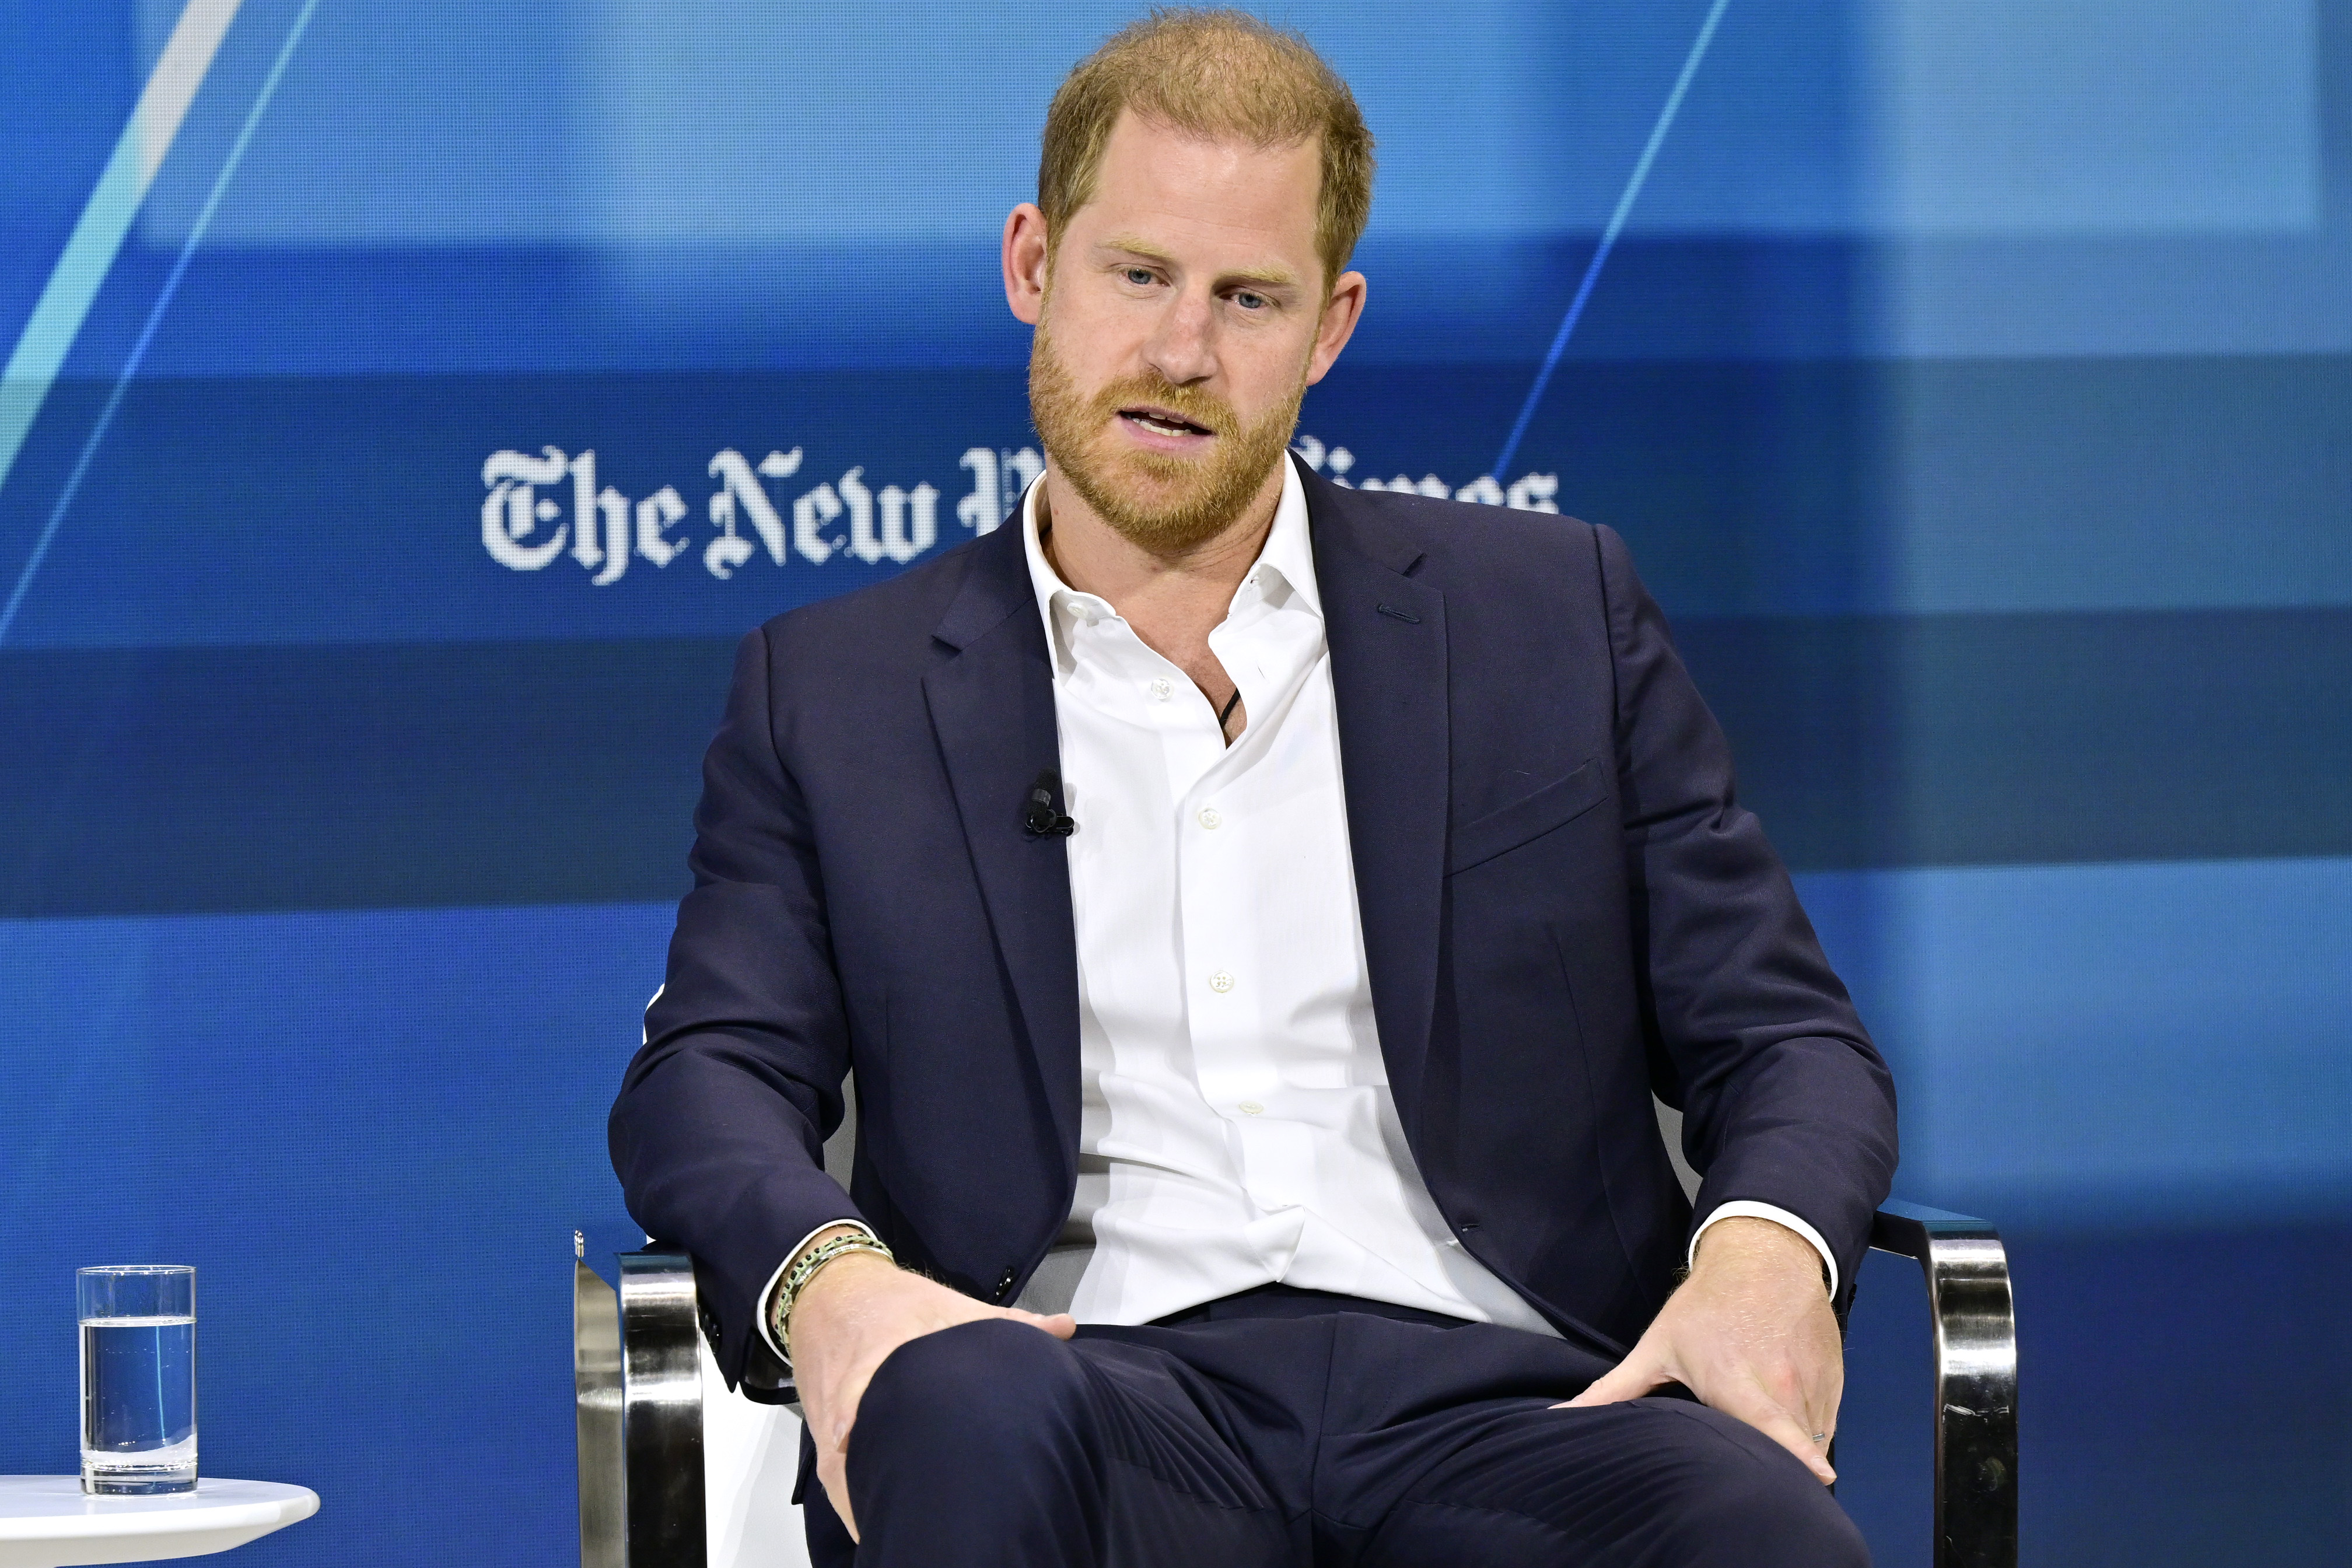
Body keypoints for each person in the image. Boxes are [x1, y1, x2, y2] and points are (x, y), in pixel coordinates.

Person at [610, 11, 1895, 1565]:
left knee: (1766, 1537)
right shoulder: (835, 689)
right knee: (963, 1408)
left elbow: (1786, 1039)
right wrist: (837, 1286)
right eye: (1137, 275)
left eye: (1248, 298)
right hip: (1087, 1394)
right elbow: (706, 1078)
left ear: (1331, 326)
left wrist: (1764, 1259)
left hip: (1519, 1409)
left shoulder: (1552, 615)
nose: (1179, 352)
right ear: (1035, 266)